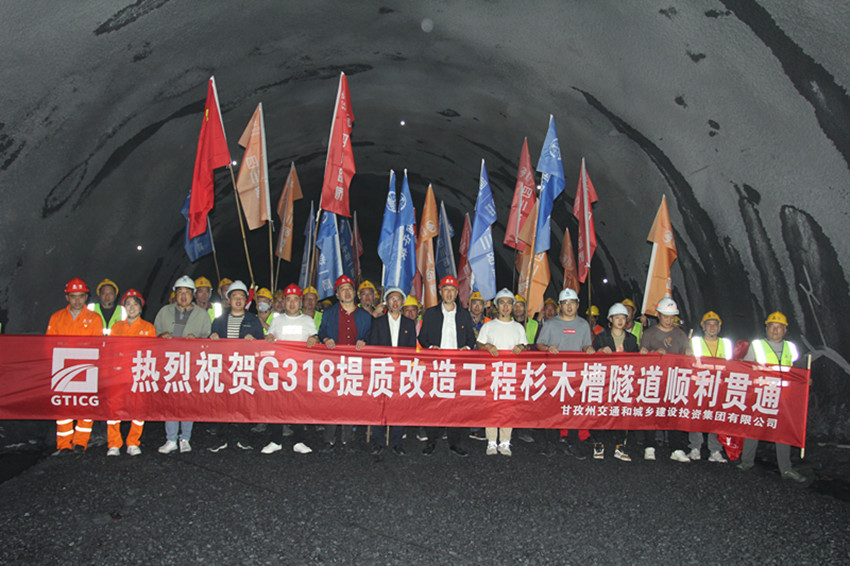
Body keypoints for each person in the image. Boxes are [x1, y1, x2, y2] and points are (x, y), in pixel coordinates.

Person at [738, 311, 807, 483]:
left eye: (779, 327)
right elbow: (747, 368)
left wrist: (805, 380)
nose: (775, 330)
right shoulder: (757, 346)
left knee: (782, 431)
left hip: (784, 396)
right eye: (772, 327)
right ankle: (747, 461)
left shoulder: (791, 348)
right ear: (766, 328)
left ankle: (786, 469)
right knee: (754, 426)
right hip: (763, 393)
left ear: (785, 330)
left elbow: (795, 370)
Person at [417, 275, 475, 457]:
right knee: (433, 404)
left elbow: (471, 339)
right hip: (436, 367)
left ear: (457, 293)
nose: (449, 293)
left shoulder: (464, 314)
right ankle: (431, 441)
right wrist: (430, 347)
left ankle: (454, 442)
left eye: (452, 290)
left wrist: (466, 348)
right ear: (440, 292)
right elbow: (422, 338)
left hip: (457, 368)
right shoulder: (431, 313)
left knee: (456, 405)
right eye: (445, 290)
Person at [154, 275, 211, 454]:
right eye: (180, 292)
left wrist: (198, 340)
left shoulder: (202, 315)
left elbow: (208, 341)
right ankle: (170, 439)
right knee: (170, 401)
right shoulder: (164, 312)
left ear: (193, 294)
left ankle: (185, 438)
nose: (183, 295)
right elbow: (154, 334)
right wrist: (161, 336)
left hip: (191, 364)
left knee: (187, 401)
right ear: (175, 294)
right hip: (169, 363)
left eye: (187, 292)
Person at [47, 278, 104, 454]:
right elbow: (49, 344)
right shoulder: (56, 318)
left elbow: (97, 345)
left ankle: (81, 442)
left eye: (81, 296)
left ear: (86, 297)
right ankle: (64, 444)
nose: (77, 300)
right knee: (63, 406)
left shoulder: (94, 319)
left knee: (84, 405)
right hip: (62, 369)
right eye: (73, 296)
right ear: (67, 297)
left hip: (86, 368)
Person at [535, 288, 595, 457]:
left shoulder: (583, 325)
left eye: (572, 303)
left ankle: (572, 442)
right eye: (565, 303)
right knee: (551, 409)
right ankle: (551, 442)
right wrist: (548, 348)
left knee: (574, 409)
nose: (569, 306)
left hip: (575, 375)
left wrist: (588, 348)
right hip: (554, 374)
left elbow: (585, 344)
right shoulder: (550, 324)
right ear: (560, 305)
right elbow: (539, 344)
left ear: (578, 305)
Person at [262, 284, 320, 455]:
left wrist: (314, 340)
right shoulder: (277, 320)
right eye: (289, 300)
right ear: (284, 302)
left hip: (300, 370)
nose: (292, 303)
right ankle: (275, 440)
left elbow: (315, 338)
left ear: (300, 302)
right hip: (279, 370)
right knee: (276, 405)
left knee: (298, 406)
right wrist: (269, 337)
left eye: (295, 300)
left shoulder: (307, 320)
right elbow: (270, 337)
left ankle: (299, 440)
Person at [317, 275, 372, 450]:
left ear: (355, 293)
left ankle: (347, 439)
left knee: (350, 401)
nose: (346, 292)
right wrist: (326, 339)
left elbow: (370, 335)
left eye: (349, 289)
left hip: (355, 364)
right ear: (337, 294)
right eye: (342, 289)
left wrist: (364, 340)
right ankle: (329, 438)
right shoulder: (329, 313)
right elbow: (321, 331)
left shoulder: (365, 315)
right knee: (331, 401)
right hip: (333, 364)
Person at [639, 297, 692, 463]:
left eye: (672, 317)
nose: (669, 320)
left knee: (674, 412)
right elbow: (641, 356)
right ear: (659, 315)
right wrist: (653, 353)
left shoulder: (680, 334)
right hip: (654, 379)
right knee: (651, 412)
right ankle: (650, 446)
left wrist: (689, 353)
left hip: (674, 379)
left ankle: (676, 448)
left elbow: (687, 355)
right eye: (666, 316)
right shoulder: (649, 333)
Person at [368, 286, 417, 457]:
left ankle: (397, 442)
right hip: (383, 370)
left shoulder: (409, 324)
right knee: (380, 407)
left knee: (399, 407)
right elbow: (373, 347)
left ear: (402, 302)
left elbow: (411, 349)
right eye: (391, 299)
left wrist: (404, 367)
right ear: (387, 302)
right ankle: (378, 441)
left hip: (401, 372)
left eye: (398, 299)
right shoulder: (378, 322)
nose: (395, 303)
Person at [477, 289, 527, 456]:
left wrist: (521, 347)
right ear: (497, 306)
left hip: (511, 374)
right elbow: (479, 345)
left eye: (509, 303)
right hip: (492, 373)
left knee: (508, 408)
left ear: (513, 306)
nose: (505, 306)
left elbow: (525, 346)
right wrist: (487, 346)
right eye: (502, 303)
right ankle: (491, 441)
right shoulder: (488, 326)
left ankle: (505, 442)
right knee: (491, 408)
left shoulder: (518, 328)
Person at [107, 289, 156, 456]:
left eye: (135, 304)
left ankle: (133, 442)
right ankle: (114, 444)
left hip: (138, 375)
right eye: (128, 304)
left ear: (141, 307)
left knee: (138, 409)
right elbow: (111, 351)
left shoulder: (148, 328)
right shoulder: (117, 327)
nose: (132, 307)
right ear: (124, 307)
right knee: (114, 409)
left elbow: (151, 353)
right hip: (118, 375)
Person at [592, 303, 639, 462]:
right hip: (605, 381)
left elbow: (637, 362)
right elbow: (592, 360)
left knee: (623, 413)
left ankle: (620, 446)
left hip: (624, 381)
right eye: (616, 317)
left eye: (623, 318)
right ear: (610, 319)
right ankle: (598, 444)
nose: (620, 321)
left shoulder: (632, 339)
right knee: (602, 412)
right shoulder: (601, 337)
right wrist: (599, 352)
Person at [689, 311, 733, 463]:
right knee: (696, 416)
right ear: (703, 327)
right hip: (699, 385)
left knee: (716, 418)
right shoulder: (695, 342)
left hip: (719, 386)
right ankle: (695, 448)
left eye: (715, 324)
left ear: (719, 327)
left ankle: (715, 450)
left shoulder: (726, 344)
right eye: (709, 324)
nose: (712, 327)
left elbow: (731, 365)